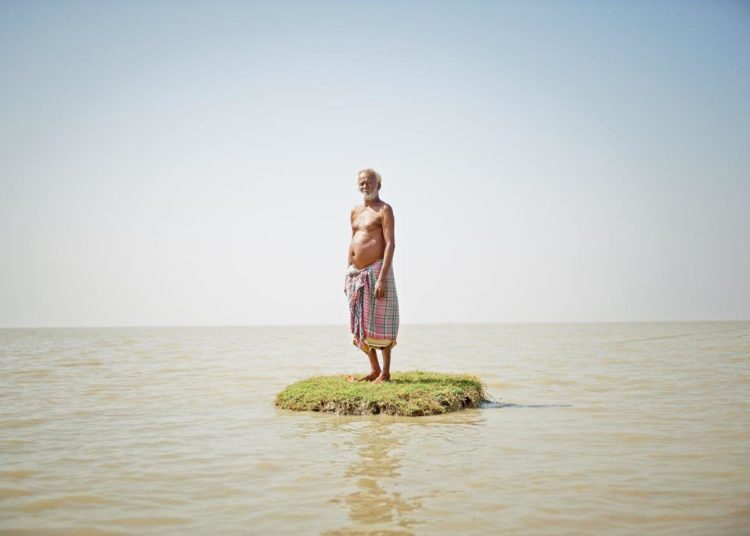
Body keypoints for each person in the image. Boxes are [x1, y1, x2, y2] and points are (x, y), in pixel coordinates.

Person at [345, 168, 399, 384]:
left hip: (376, 271)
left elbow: (390, 244)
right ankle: (374, 369)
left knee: (381, 321)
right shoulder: (355, 212)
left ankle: (385, 373)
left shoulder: (384, 210)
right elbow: (352, 241)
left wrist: (382, 277)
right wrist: (347, 272)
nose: (365, 186)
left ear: (378, 185)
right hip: (355, 274)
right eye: (362, 183)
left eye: (369, 182)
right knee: (361, 322)